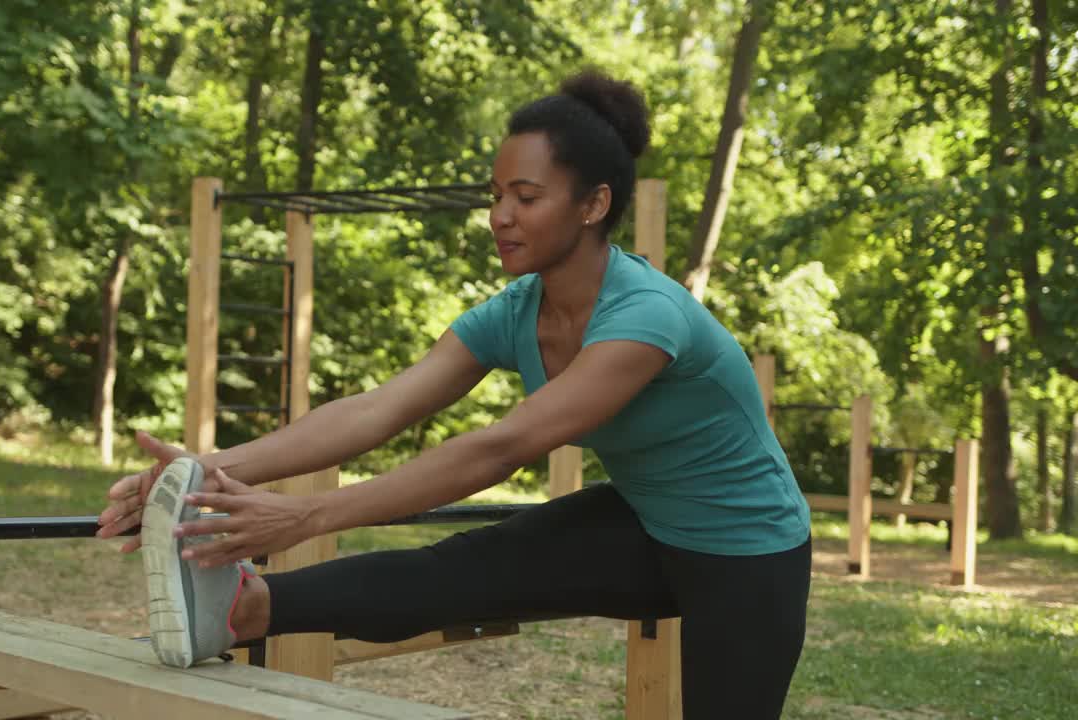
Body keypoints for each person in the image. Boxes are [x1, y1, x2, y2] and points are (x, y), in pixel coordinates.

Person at [97, 69, 812, 719]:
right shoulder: (515, 310)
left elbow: (505, 445)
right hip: (648, 522)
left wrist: (307, 515)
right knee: (459, 570)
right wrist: (205, 470)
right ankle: (244, 611)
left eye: (525, 197)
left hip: (747, 555)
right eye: (496, 196)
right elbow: (380, 408)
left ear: (594, 204)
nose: (499, 215)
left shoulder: (647, 317)